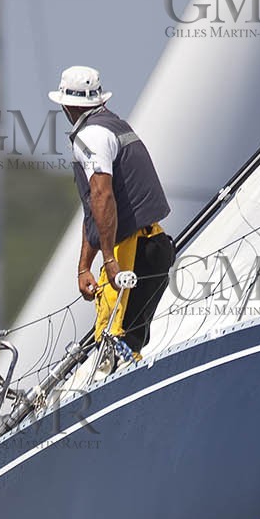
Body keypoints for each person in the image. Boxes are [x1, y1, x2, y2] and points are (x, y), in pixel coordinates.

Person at [49, 65, 175, 367]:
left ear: (67, 105)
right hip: (155, 244)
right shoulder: (114, 126)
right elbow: (96, 208)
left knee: (112, 344)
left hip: (130, 252)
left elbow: (103, 197)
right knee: (127, 346)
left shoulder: (90, 137)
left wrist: (108, 260)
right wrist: (83, 267)